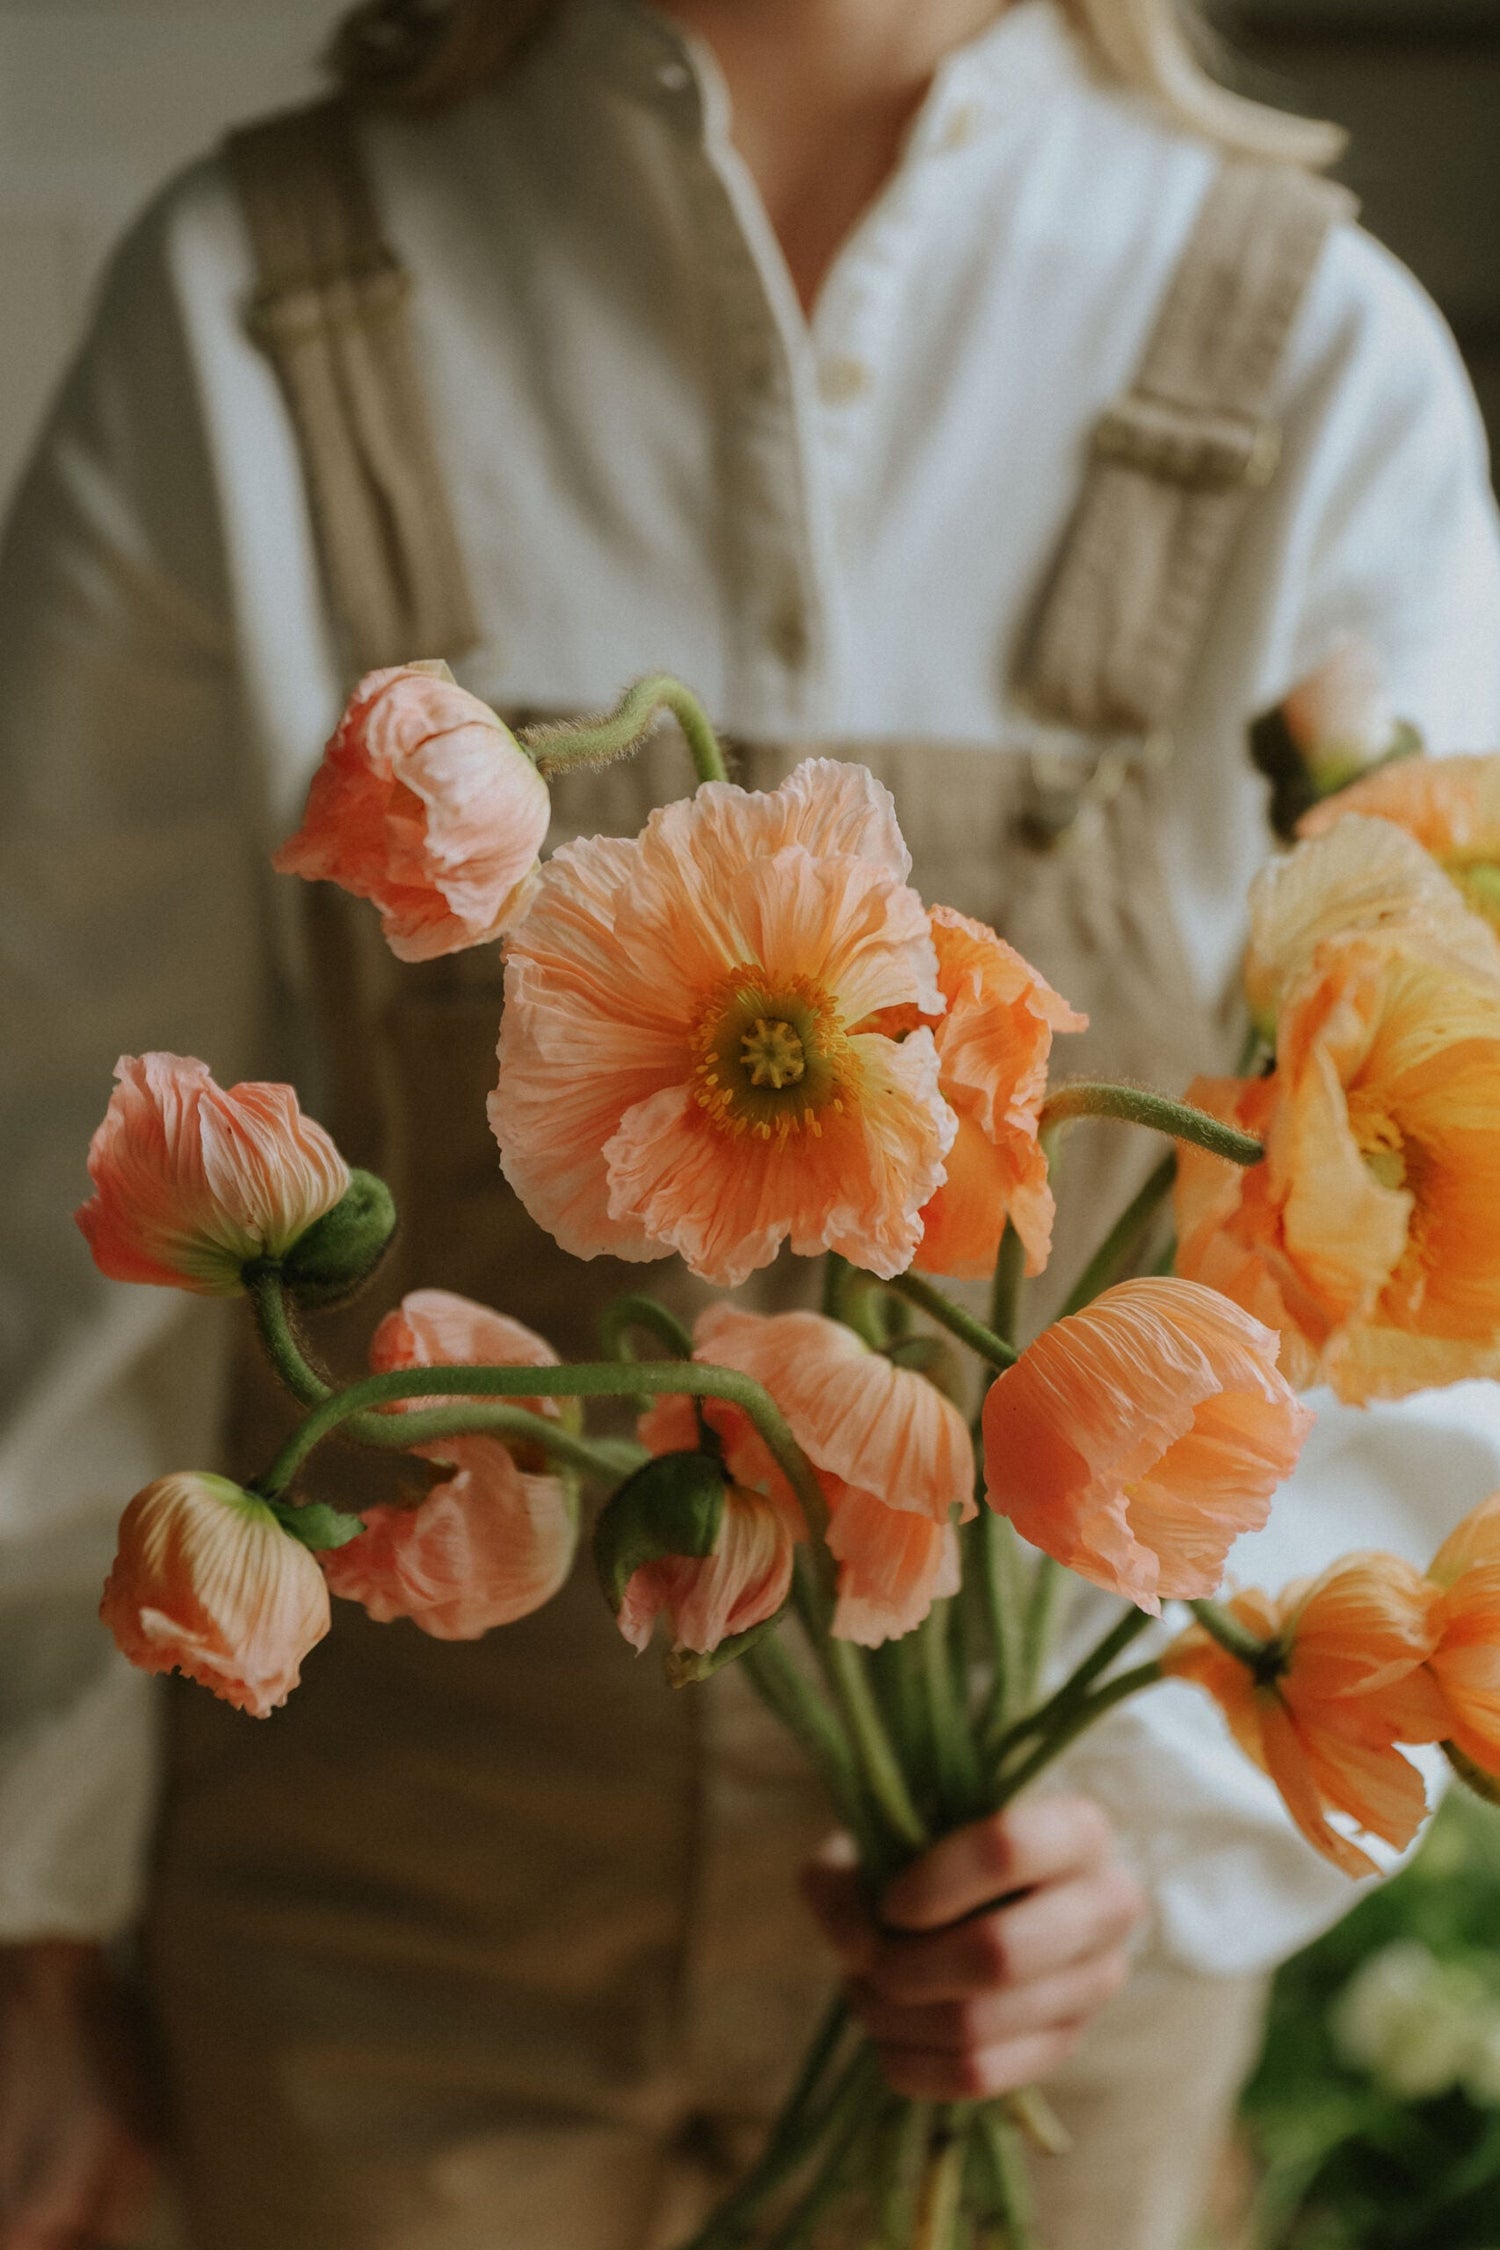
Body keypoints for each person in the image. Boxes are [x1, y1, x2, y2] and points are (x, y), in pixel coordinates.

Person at [3, 1, 1500, 2245]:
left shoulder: (1317, 353)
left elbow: (1414, 1254)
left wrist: (1153, 1819)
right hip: (365, 1947)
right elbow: (59, 1165)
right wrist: (28, 1905)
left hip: (1028, 1973)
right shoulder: (242, 298)